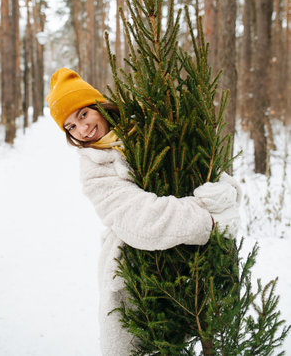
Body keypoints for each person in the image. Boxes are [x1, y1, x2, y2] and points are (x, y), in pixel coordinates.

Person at [47, 67, 241, 356]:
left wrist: (224, 195)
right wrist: (210, 217)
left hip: (193, 271)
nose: (83, 129)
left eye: (83, 114)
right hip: (139, 281)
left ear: (99, 106)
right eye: (71, 127)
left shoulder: (149, 126)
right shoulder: (94, 169)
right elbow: (142, 220)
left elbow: (215, 175)